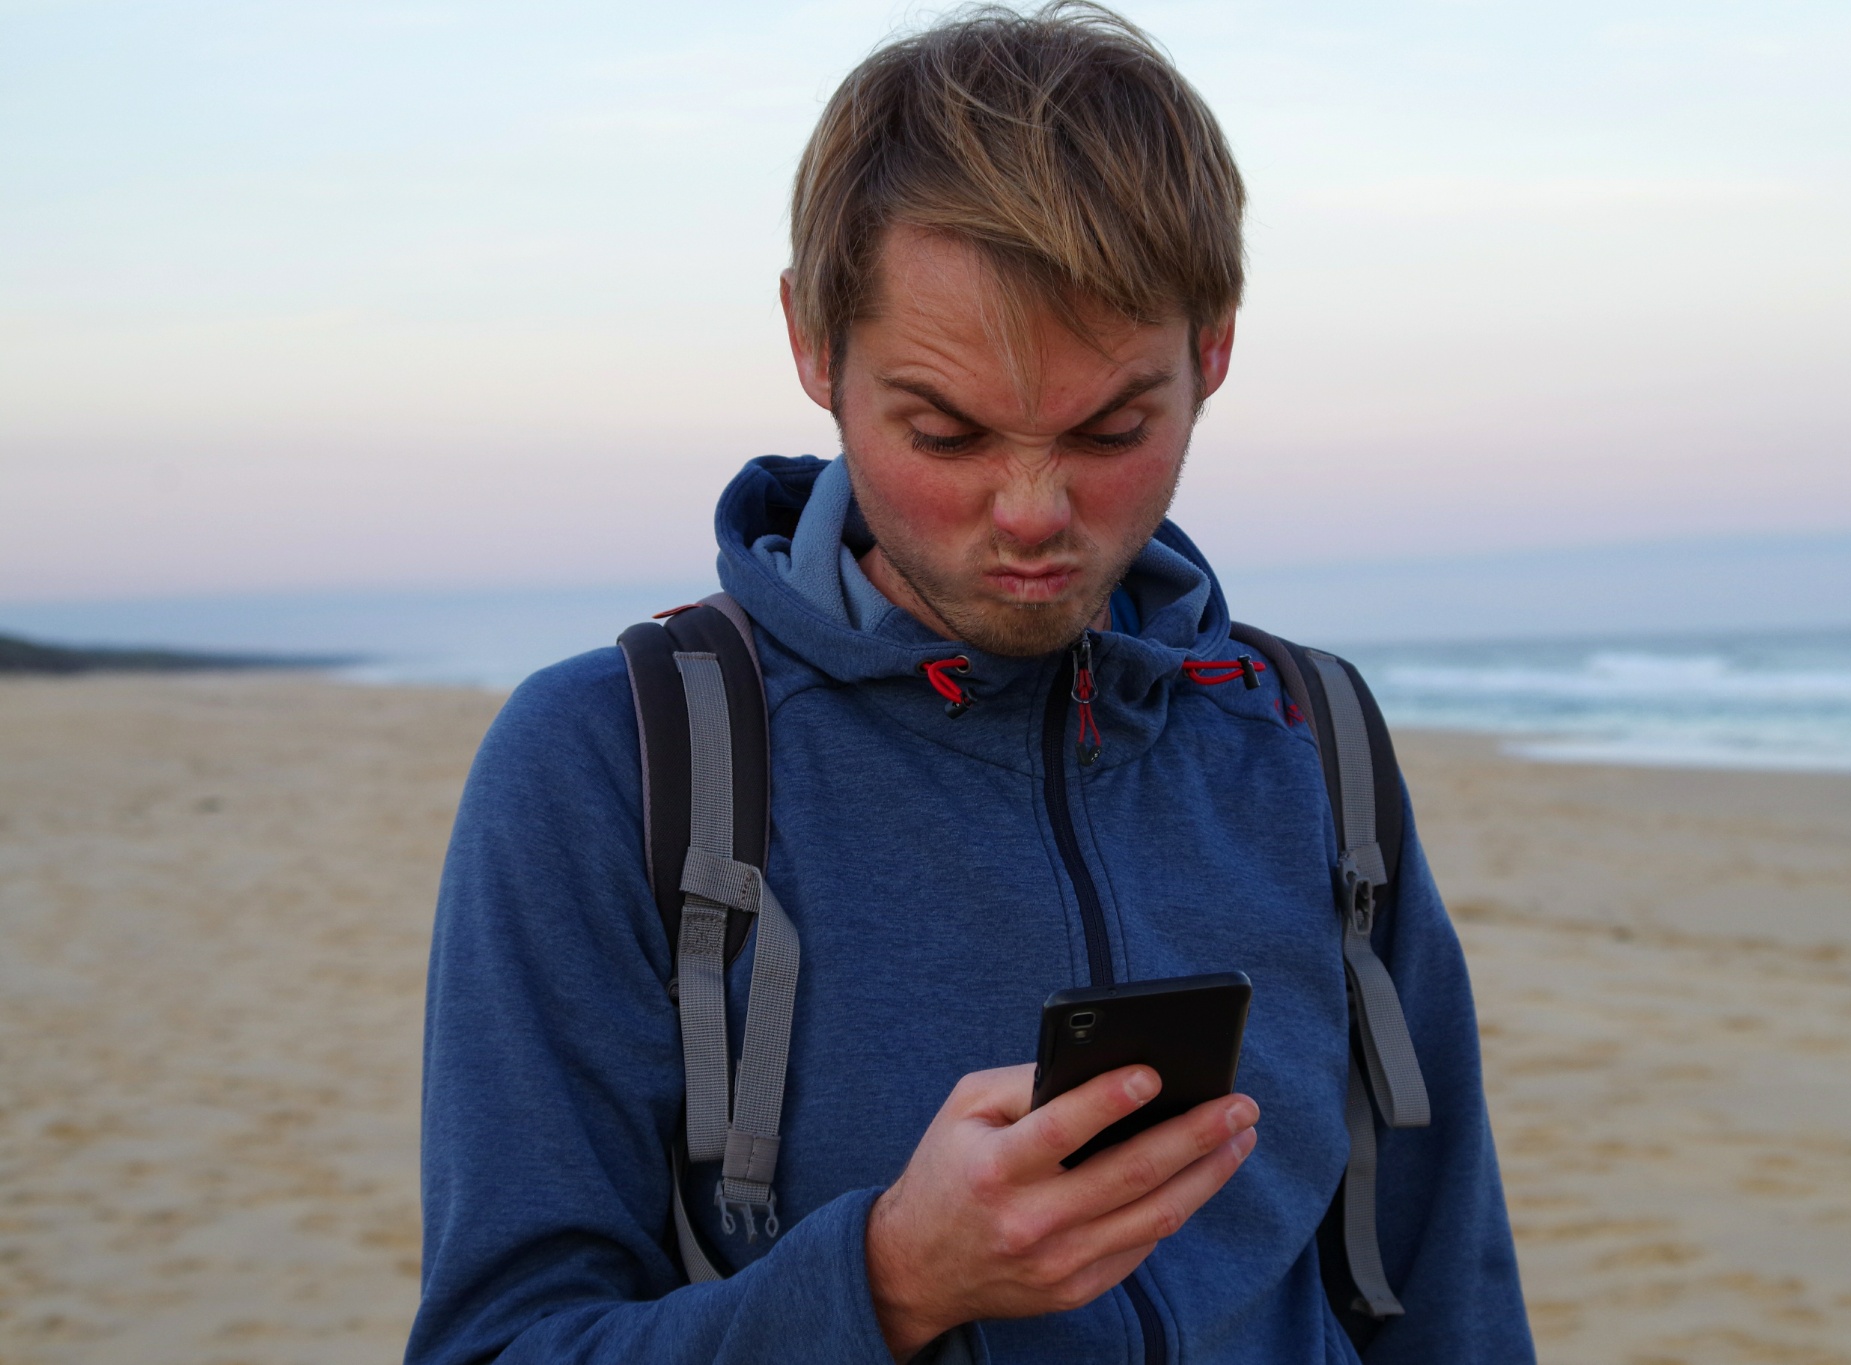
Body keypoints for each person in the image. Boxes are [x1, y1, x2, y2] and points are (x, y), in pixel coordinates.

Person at [405, 4, 1533, 1362]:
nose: (1033, 513)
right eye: (946, 432)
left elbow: (1446, 1287)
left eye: (1113, 429)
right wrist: (888, 1281)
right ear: (813, 343)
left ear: (1214, 349)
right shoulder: (615, 759)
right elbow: (498, 1342)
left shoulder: (1309, 734)